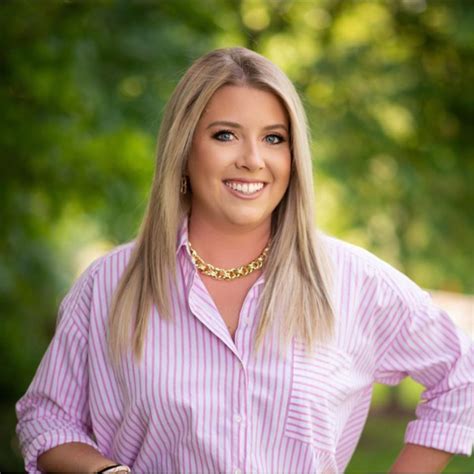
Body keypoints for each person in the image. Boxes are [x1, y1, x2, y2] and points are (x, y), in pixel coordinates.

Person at [16, 47, 473, 474]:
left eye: (274, 138)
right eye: (225, 135)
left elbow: (462, 377)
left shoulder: (355, 282)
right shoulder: (108, 284)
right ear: (184, 148)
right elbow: (47, 418)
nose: (253, 160)